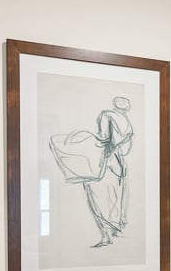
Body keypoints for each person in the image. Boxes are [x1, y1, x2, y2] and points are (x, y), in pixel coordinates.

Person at [49, 96, 134, 247]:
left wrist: (85, 139)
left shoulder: (106, 115)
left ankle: (106, 236)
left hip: (103, 164)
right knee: (114, 198)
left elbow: (103, 137)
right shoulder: (127, 123)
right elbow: (126, 148)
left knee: (98, 200)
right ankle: (114, 231)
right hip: (118, 165)